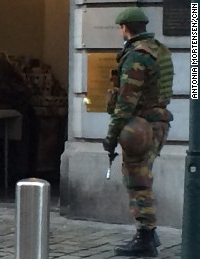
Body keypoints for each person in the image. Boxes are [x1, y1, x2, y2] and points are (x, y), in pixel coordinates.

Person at [103, 7, 174, 257]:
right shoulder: (159, 51)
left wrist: (111, 136)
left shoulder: (136, 56)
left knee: (137, 181)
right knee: (143, 177)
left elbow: (126, 103)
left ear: (126, 28)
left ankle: (145, 237)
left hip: (141, 127)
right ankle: (149, 235)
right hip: (158, 124)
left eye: (121, 28)